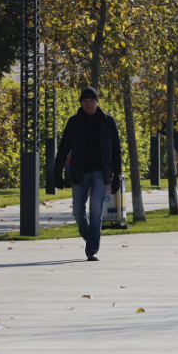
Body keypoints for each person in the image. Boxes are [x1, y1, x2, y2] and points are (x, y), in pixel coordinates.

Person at [53, 87, 123, 262]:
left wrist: (117, 175)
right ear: (81, 104)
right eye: (85, 101)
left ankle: (92, 250)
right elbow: (63, 149)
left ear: (97, 102)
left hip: (101, 173)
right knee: (77, 212)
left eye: (92, 101)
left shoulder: (108, 122)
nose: (89, 104)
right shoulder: (74, 122)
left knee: (95, 212)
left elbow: (116, 150)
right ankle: (90, 238)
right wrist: (57, 173)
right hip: (79, 173)